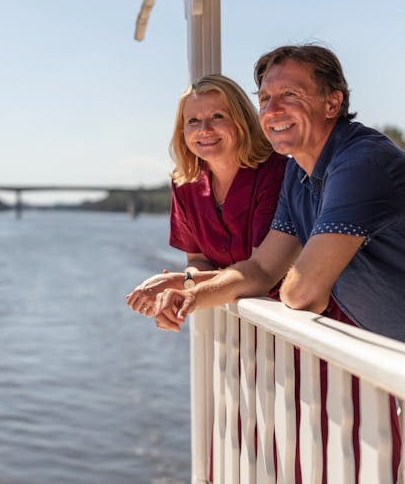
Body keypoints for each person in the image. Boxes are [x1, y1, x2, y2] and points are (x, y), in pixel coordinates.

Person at [153, 43, 403, 481]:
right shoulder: (298, 170)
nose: (273, 108)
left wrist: (295, 281)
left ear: (333, 101)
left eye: (291, 94)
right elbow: (263, 268)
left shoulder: (360, 162)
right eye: (265, 98)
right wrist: (191, 293)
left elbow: (301, 291)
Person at [125, 74, 287, 319]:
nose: (204, 130)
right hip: (233, 331)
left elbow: (260, 271)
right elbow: (199, 260)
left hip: (288, 324)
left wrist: (180, 283)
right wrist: (176, 295)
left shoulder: (277, 173)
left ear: (241, 120)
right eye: (193, 121)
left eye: (217, 116)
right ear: (182, 131)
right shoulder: (185, 184)